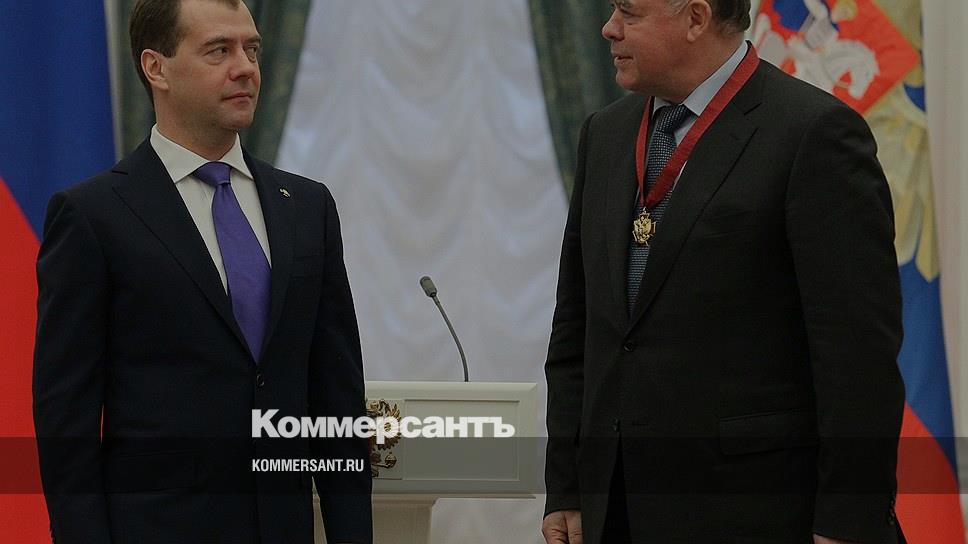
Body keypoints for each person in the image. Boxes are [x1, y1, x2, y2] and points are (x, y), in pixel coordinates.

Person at [542, 1, 905, 542]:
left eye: (629, 12)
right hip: (612, 509)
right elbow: (577, 330)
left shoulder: (813, 133)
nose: (609, 27)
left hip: (756, 512)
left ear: (696, 18)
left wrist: (848, 521)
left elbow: (857, 357)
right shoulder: (605, 134)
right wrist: (568, 485)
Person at [32, 0, 371, 542]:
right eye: (219, 50)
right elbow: (65, 420)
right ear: (156, 68)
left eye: (251, 49)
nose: (245, 68)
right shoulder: (94, 216)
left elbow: (337, 400)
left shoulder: (307, 208)